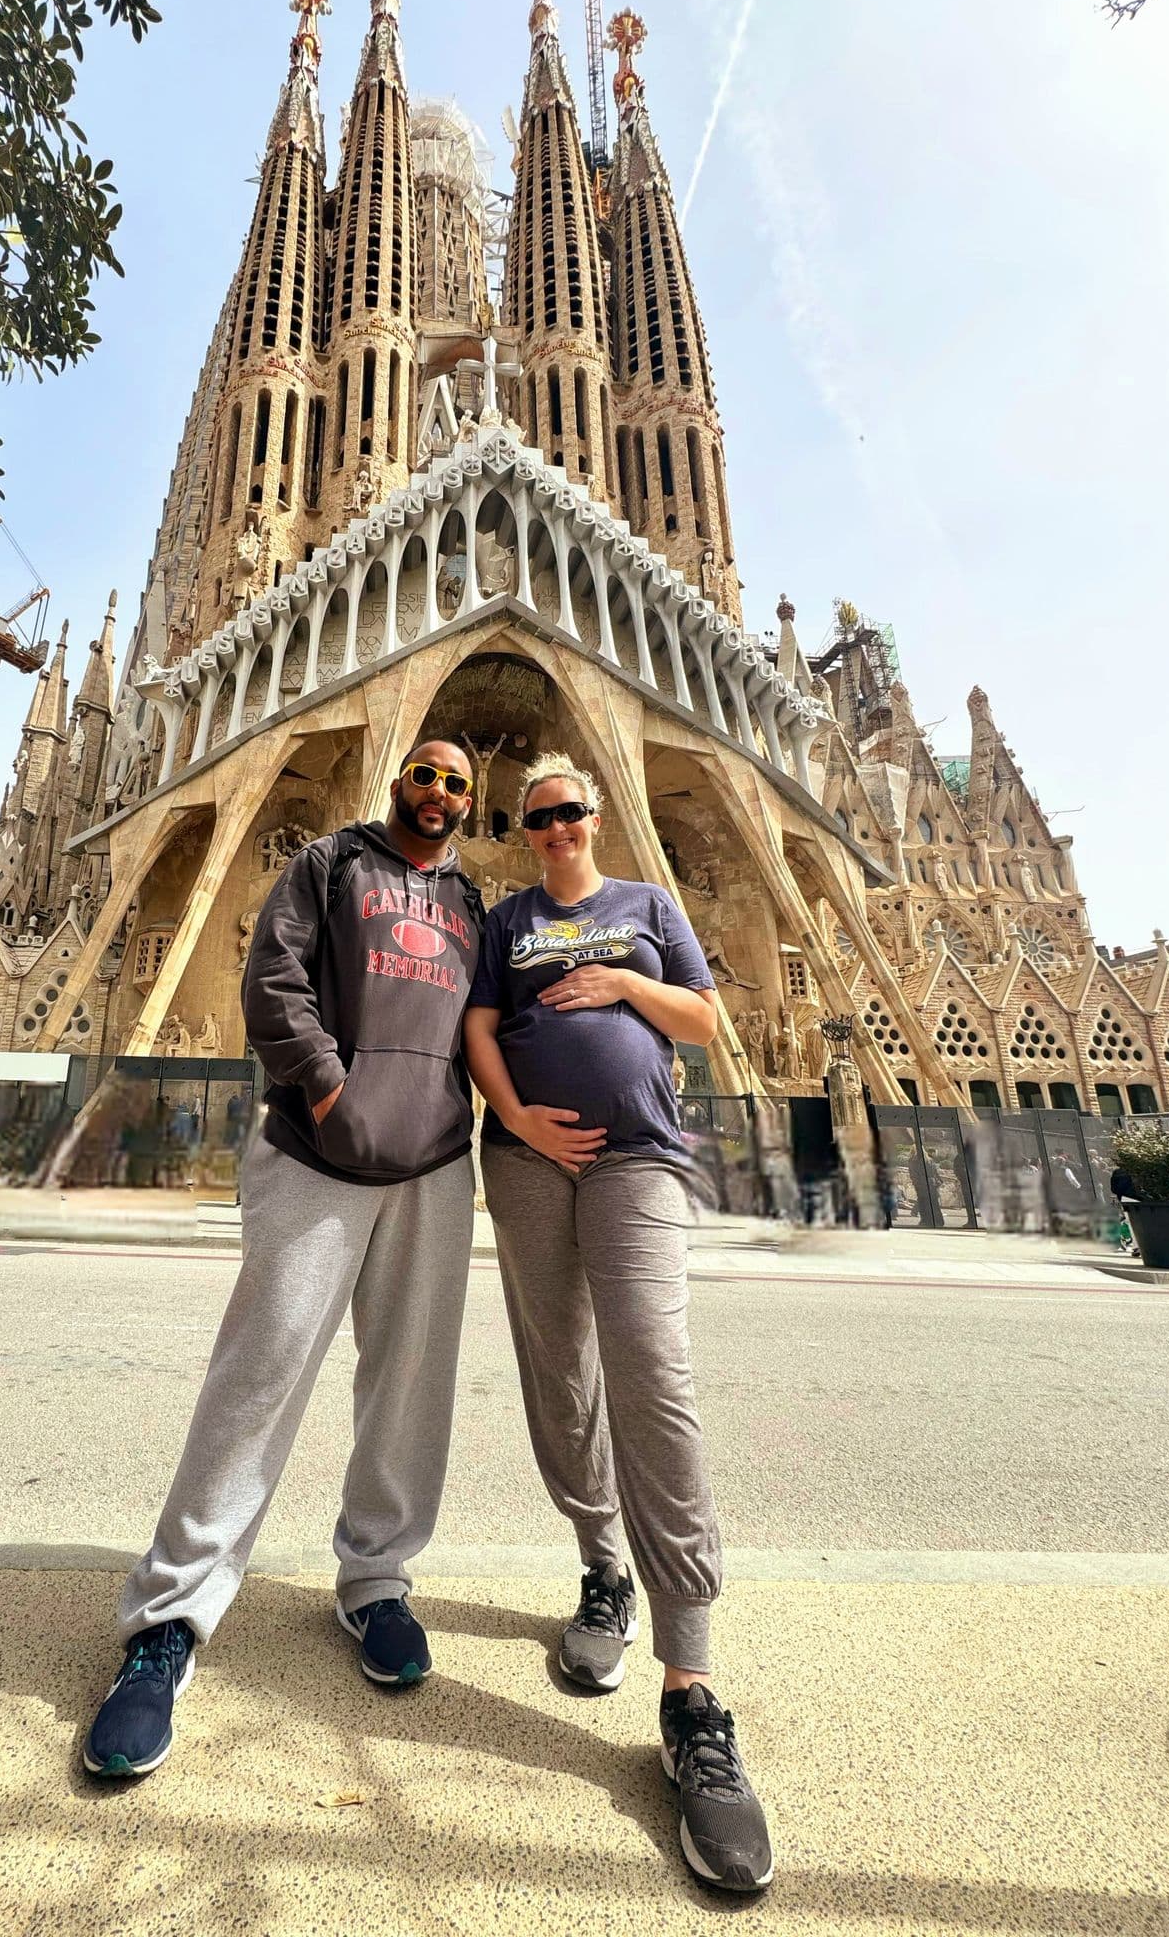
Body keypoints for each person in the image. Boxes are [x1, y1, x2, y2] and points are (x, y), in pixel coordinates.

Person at [83, 739, 486, 1776]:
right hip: (319, 1151)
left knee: (410, 1383)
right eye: (427, 773)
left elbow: (490, 1025)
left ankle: (378, 1580)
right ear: (398, 778)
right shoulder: (331, 863)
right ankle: (167, 1620)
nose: (439, 791)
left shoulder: (473, 903)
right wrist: (325, 1089)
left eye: (458, 783)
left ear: (469, 804)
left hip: (435, 1162)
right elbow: (275, 976)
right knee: (261, 1372)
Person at [463, 752, 774, 1895]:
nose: (553, 828)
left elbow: (703, 1020)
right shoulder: (505, 919)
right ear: (526, 825)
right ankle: (604, 1570)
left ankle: (690, 1682)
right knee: (561, 1377)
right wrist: (521, 1125)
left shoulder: (648, 906)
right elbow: (480, 1030)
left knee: (655, 1378)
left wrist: (625, 989)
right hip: (531, 1161)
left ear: (596, 816)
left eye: (568, 811)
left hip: (640, 1159)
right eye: (536, 816)